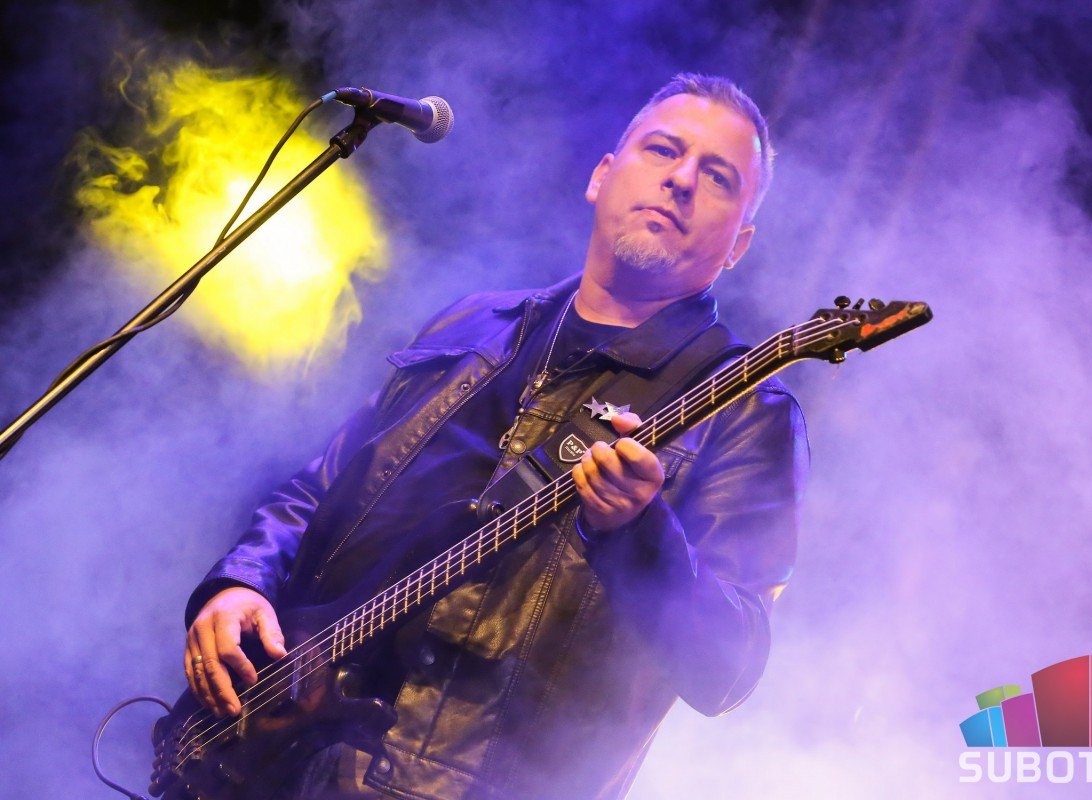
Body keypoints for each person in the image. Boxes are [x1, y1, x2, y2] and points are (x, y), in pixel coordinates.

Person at [181, 73, 808, 799]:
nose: (681, 179)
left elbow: (727, 668)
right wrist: (239, 583)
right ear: (601, 177)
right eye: (663, 150)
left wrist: (639, 534)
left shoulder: (744, 410)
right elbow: (320, 488)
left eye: (719, 177)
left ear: (739, 245)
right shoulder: (474, 324)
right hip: (279, 764)